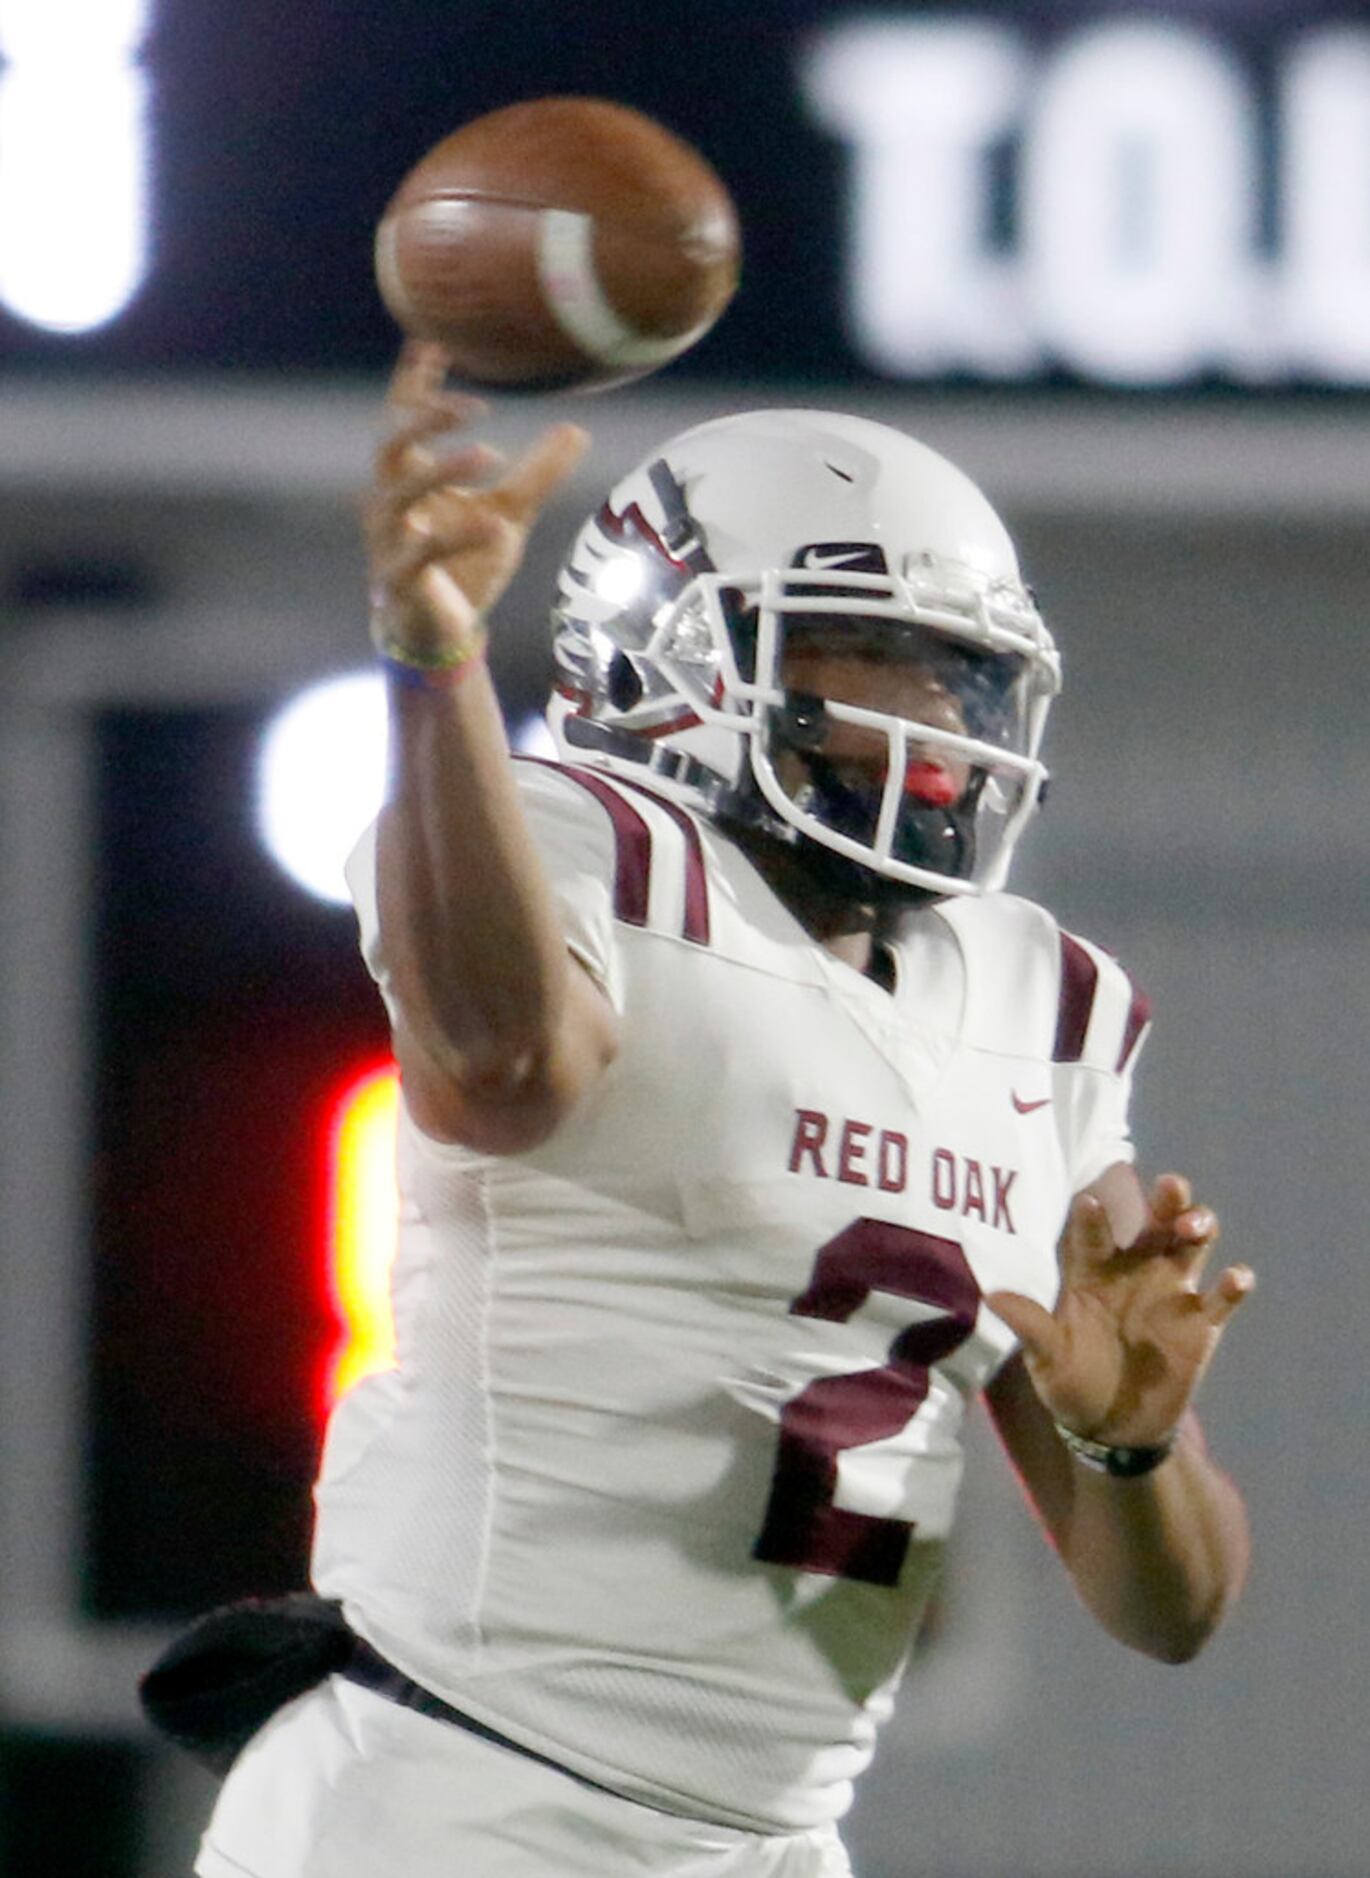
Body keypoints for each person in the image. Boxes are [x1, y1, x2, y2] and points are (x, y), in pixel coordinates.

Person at [194, 344, 1254, 1878]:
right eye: (857, 660)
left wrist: (1132, 1446)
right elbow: (501, 1068)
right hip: (458, 1791)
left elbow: (1174, 1614)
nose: (931, 719)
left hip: (767, 1842)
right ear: (661, 659)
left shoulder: (1045, 1003)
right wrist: (432, 666)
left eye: (953, 674)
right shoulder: (577, 837)